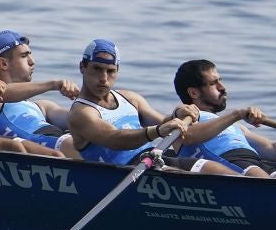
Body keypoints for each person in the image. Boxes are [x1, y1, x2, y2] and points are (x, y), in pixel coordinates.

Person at [67, 40, 236, 174]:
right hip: (126, 171)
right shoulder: (81, 113)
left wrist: (177, 113)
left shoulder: (130, 98)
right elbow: (114, 139)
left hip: (154, 158)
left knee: (217, 171)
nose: (104, 78)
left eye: (110, 71)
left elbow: (163, 122)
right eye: (97, 69)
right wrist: (157, 131)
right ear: (82, 67)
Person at [171, 59, 276, 178]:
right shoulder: (184, 116)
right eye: (213, 83)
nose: (223, 87)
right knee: (266, 180)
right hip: (228, 163)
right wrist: (237, 115)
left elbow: (273, 150)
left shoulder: (236, 127)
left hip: (256, 162)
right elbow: (189, 136)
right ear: (194, 93)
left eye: (220, 80)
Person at [0, 29, 82, 158]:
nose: (32, 61)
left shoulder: (42, 106)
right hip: (57, 146)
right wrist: (53, 85)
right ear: (3, 63)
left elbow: (78, 120)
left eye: (30, 55)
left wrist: (86, 100)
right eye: (24, 56)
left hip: (62, 139)